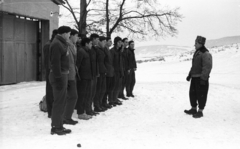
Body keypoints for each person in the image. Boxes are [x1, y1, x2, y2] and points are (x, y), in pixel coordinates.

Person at [49, 26, 72, 135]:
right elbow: (55, 63)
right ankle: (55, 127)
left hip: (63, 75)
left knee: (62, 101)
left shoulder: (61, 43)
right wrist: (58, 79)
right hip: (59, 75)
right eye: (68, 33)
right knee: (58, 101)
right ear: (63, 33)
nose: (69, 36)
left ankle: (59, 125)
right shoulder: (57, 44)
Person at [184, 36, 213, 118]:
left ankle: (200, 111)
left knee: (201, 95)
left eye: (196, 43)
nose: (194, 45)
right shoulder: (197, 53)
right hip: (194, 77)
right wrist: (190, 75)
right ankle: (193, 109)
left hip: (201, 79)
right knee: (192, 94)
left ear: (201, 43)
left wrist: (203, 79)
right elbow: (194, 66)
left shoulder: (205, 54)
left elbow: (207, 67)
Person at [63, 29, 79, 125]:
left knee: (72, 96)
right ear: (71, 36)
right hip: (68, 75)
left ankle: (67, 116)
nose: (77, 38)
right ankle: (66, 117)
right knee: (73, 96)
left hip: (72, 74)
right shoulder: (67, 46)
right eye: (76, 36)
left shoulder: (73, 46)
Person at [75, 37, 93, 120]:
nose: (91, 45)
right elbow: (77, 65)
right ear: (86, 44)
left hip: (87, 77)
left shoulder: (86, 51)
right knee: (81, 95)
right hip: (82, 78)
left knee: (86, 95)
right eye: (90, 43)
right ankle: (80, 113)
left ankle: (84, 111)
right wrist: (78, 77)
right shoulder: (81, 51)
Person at [43, 29, 58, 118]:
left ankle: (54, 111)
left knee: (55, 92)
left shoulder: (53, 44)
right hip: (51, 72)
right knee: (50, 91)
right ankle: (51, 112)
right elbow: (48, 61)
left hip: (54, 71)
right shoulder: (49, 45)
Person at [93, 36, 108, 112]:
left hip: (103, 71)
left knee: (103, 89)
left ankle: (100, 104)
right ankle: (97, 105)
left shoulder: (103, 50)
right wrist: (97, 71)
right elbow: (96, 62)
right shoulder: (97, 50)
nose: (105, 43)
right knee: (98, 90)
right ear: (99, 42)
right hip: (99, 72)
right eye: (103, 41)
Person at [109, 36, 124, 106]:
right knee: (113, 86)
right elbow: (111, 62)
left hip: (119, 71)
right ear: (116, 43)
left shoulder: (119, 51)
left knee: (118, 86)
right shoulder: (112, 51)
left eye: (121, 42)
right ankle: (111, 100)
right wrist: (112, 72)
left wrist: (121, 71)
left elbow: (121, 62)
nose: (120, 43)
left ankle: (115, 98)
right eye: (119, 42)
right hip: (114, 72)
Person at [88, 33, 100, 116]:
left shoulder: (95, 49)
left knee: (93, 92)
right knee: (90, 93)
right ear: (93, 39)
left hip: (94, 74)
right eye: (97, 39)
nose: (98, 41)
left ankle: (90, 109)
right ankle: (88, 109)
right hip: (90, 74)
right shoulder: (90, 49)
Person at [102, 37, 114, 109]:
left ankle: (105, 102)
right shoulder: (104, 50)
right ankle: (104, 102)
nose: (111, 43)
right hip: (107, 71)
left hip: (110, 71)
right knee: (105, 88)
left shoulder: (108, 50)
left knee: (108, 87)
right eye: (109, 41)